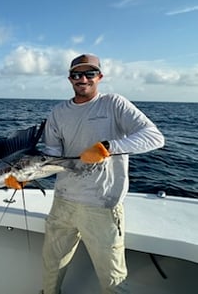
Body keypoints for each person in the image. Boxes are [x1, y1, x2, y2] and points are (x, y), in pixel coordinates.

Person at [41, 54, 165, 293]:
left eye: (89, 73)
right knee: (51, 269)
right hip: (63, 203)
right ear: (70, 79)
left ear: (99, 77)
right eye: (77, 74)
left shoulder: (114, 104)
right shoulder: (58, 112)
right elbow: (53, 156)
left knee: (113, 281)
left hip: (102, 206)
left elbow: (155, 137)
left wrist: (107, 147)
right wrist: (24, 176)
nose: (83, 79)